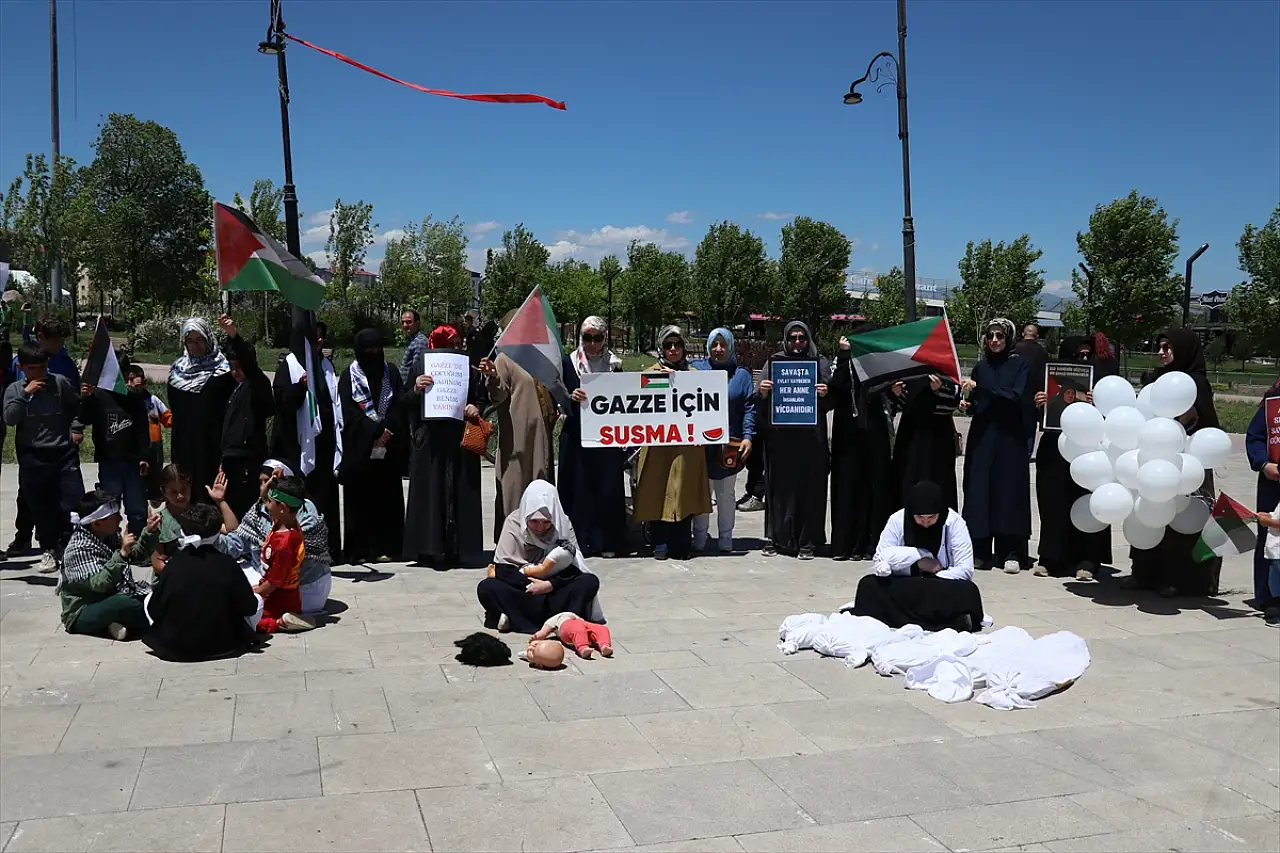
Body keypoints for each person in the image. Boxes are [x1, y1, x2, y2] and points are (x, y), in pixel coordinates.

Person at [1126, 329, 1222, 597]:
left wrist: (1189, 418)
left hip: (1187, 466)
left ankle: (1180, 578)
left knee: (1182, 523)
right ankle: (1145, 573)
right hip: (1155, 462)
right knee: (1150, 517)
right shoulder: (1157, 380)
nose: (1161, 352)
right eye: (1160, 347)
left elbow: (1208, 426)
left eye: (1167, 347)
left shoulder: (1196, 383)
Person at [844, 481, 985, 632]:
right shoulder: (897, 520)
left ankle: (897, 617)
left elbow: (965, 570)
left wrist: (937, 572)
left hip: (941, 584)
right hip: (906, 582)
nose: (925, 523)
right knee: (869, 584)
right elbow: (881, 559)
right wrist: (915, 562)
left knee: (968, 591)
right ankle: (949, 620)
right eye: (920, 517)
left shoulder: (955, 523)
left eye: (931, 517)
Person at [403, 325, 485, 568]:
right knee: (432, 493)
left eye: (459, 344)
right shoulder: (421, 366)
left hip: (460, 437)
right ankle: (429, 548)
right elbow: (404, 399)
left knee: (459, 491)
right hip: (431, 442)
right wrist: (417, 389)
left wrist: (474, 407)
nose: (457, 348)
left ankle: (460, 548)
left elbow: (479, 397)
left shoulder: (468, 368)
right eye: (451, 344)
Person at [477, 480, 604, 634]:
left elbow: (574, 566)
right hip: (523, 588)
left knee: (589, 581)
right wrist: (531, 585)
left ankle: (520, 618)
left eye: (546, 522)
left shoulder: (562, 524)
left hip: (553, 589)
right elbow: (503, 568)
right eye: (534, 521)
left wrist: (550, 585)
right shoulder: (514, 523)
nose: (539, 528)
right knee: (487, 587)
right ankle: (550, 620)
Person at [143, 502, 262, 661]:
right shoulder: (227, 564)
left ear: (184, 531)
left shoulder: (174, 565)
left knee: (148, 598)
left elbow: (153, 609)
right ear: (217, 531)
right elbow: (250, 606)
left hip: (176, 649)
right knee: (259, 599)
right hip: (225, 646)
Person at [1034, 337, 1111, 581]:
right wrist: (1040, 404)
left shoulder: (1098, 383)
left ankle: (1087, 560)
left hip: (1087, 450)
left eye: (1088, 356)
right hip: (1054, 448)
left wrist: (1095, 404)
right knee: (1052, 503)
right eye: (1078, 356)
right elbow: (1040, 417)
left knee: (1085, 503)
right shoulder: (1050, 380)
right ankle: (1050, 558)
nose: (1084, 361)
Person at [3, 342, 85, 572]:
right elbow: (10, 418)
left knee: (70, 500)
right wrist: (26, 394)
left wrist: (77, 429)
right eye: (32, 369)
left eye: (42, 367)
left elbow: (76, 407)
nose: (38, 373)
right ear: (21, 367)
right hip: (32, 455)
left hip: (63, 452)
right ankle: (48, 549)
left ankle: (69, 547)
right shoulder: (14, 390)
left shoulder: (59, 383)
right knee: (40, 505)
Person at [633, 326, 711, 561]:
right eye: (668, 345)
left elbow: (708, 410)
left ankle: (681, 543)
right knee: (659, 491)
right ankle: (660, 542)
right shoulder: (649, 375)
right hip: (657, 447)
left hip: (687, 446)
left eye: (678, 344)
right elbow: (636, 408)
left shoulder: (695, 375)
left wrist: (704, 434)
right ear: (661, 348)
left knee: (684, 492)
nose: (674, 349)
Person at [962, 318, 1033, 574]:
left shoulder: (1020, 365)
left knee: (1008, 492)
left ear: (1008, 339)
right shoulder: (981, 367)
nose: (994, 340)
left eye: (1000, 336)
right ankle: (980, 550)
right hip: (983, 437)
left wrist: (982, 390)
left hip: (1009, 438)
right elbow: (981, 402)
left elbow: (1013, 396)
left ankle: (1010, 551)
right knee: (980, 490)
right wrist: (969, 405)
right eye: (990, 336)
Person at [756, 320, 832, 559]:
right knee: (780, 491)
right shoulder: (774, 362)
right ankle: (779, 539)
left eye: (802, 338)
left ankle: (808, 541)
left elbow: (833, 401)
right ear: (786, 340)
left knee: (810, 491)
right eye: (792, 338)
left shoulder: (820, 364)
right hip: (782, 442)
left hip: (811, 441)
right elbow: (759, 402)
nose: (797, 343)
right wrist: (764, 392)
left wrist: (826, 393)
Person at [272, 321, 343, 561]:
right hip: (298, 445)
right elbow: (282, 404)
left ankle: (329, 549)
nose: (319, 342)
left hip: (324, 445)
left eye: (322, 338)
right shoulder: (289, 366)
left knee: (327, 500)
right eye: (314, 338)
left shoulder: (326, 365)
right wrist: (300, 387)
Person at [223, 461, 333, 614]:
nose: (264, 487)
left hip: (304, 589)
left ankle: (283, 621)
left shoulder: (305, 511)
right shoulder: (262, 510)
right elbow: (235, 543)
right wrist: (206, 538)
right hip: (276, 584)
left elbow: (279, 567)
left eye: (270, 483)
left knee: (246, 613)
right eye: (261, 482)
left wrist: (259, 591)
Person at [560, 317, 629, 557]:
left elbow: (624, 398)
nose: (592, 344)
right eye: (587, 338)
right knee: (579, 489)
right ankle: (580, 541)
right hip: (577, 436)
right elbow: (558, 395)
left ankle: (607, 542)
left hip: (606, 438)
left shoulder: (614, 365)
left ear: (604, 339)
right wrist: (571, 396)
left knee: (607, 489)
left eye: (597, 338)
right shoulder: (569, 363)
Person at [167, 316, 252, 504]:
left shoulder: (223, 372)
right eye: (190, 340)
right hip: (184, 444)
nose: (195, 346)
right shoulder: (177, 372)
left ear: (209, 339)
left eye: (200, 340)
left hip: (213, 445)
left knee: (212, 491)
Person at [338, 329, 406, 563]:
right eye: (368, 351)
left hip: (388, 446)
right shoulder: (350, 376)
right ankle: (360, 550)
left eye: (377, 350)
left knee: (387, 499)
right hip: (361, 448)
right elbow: (348, 412)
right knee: (360, 501)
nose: (373, 354)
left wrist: (387, 430)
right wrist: (374, 431)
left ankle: (389, 547)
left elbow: (400, 404)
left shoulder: (391, 372)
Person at [828, 329, 896, 561]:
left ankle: (871, 544)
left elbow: (892, 398)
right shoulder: (842, 362)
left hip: (875, 433)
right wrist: (845, 355)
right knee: (848, 488)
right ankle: (845, 545)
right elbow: (836, 387)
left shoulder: (881, 364)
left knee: (874, 489)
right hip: (847, 435)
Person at [58, 491, 160, 640]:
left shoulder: (107, 535)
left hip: (108, 598)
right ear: (97, 523)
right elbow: (100, 583)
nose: (120, 519)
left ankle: (112, 625)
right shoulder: (79, 549)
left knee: (154, 594)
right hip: (83, 611)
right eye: (115, 517)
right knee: (125, 603)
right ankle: (155, 624)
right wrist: (122, 553)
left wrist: (149, 532)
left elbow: (136, 555)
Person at [690, 328, 756, 554]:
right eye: (714, 344)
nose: (718, 349)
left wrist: (748, 437)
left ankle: (726, 538)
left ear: (730, 346)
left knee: (726, 494)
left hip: (729, 443)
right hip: (699, 443)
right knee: (701, 492)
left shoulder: (741, 375)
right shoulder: (696, 369)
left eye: (723, 344)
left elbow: (749, 408)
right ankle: (699, 537)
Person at [483, 343, 557, 542]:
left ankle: (539, 540)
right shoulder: (504, 360)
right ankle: (512, 541)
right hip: (516, 439)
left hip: (539, 436)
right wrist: (493, 376)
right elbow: (498, 395)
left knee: (539, 485)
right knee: (513, 490)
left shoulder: (538, 359)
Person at [80, 361, 151, 536]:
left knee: (136, 506)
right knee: (109, 505)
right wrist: (86, 398)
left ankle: (137, 542)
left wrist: (144, 456)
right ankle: (110, 540)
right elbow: (85, 418)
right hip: (108, 459)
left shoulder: (135, 398)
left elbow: (142, 429)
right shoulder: (99, 396)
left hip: (132, 461)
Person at [216, 314, 275, 518]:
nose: (235, 372)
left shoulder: (257, 385)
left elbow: (249, 362)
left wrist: (234, 335)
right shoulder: (235, 390)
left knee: (247, 509)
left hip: (248, 460)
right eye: (231, 367)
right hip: (231, 458)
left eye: (239, 367)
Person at [889, 371, 962, 511]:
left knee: (939, 483)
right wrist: (896, 393)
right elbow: (900, 404)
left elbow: (954, 401)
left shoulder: (947, 366)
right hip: (911, 436)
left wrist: (937, 391)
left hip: (938, 439)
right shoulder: (910, 368)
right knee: (907, 481)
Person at [251, 475, 314, 633]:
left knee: (246, 622)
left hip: (279, 599)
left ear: (283, 508)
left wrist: (253, 594)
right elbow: (268, 502)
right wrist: (267, 490)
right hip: (275, 591)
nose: (267, 504)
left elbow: (274, 583)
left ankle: (280, 622)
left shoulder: (284, 544)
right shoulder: (284, 521)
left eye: (270, 502)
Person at [152, 464, 239, 576]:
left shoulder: (200, 512)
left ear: (190, 485)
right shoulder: (159, 522)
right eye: (173, 492)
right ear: (163, 491)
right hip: (177, 579)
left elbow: (232, 531)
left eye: (183, 489)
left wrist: (220, 501)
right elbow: (158, 565)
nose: (180, 496)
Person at [1245, 377, 1280, 611]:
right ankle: (1269, 597)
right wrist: (1263, 463)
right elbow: (1255, 437)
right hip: (1273, 482)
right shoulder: (1272, 403)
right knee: (1270, 535)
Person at [129, 364, 172, 505]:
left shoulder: (153, 400)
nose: (136, 389)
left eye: (139, 386)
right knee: (138, 471)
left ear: (145, 383)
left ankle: (155, 493)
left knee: (156, 468)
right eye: (131, 384)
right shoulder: (126, 402)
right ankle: (138, 493)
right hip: (136, 443)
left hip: (155, 443)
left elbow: (167, 418)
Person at [1014, 323, 1048, 459]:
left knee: (1014, 424)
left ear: (1023, 334)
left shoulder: (1014, 348)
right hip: (1033, 394)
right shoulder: (1041, 351)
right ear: (1037, 336)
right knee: (1030, 427)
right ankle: (1027, 453)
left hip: (1015, 392)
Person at [530, 611, 614, 660]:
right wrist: (536, 637)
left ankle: (604, 646)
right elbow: (544, 632)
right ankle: (582, 648)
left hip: (582, 623)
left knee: (601, 629)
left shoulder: (573, 615)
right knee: (578, 629)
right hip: (566, 625)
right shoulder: (556, 618)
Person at [1256, 504, 1279, 626]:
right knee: (1274, 577)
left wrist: (1268, 521)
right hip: (1276, 551)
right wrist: (1269, 515)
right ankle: (1276, 605)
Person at [400, 309, 428, 385]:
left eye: (409, 322)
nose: (405, 325)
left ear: (417, 323)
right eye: (403, 322)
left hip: (409, 389)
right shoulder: (411, 340)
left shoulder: (420, 342)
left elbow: (416, 371)